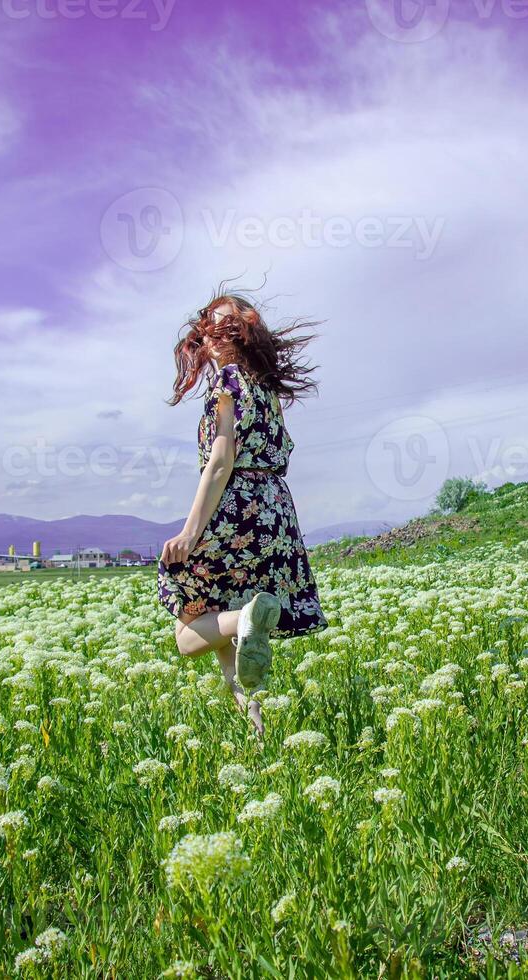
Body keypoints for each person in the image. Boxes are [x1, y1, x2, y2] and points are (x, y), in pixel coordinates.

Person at [157, 291, 327, 736]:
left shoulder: (227, 384)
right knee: (226, 645)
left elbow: (220, 461)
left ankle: (245, 617)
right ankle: (258, 734)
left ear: (238, 335)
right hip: (275, 515)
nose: (211, 337)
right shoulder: (266, 388)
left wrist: (190, 534)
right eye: (208, 327)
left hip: (237, 507)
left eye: (221, 327)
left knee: (188, 631)